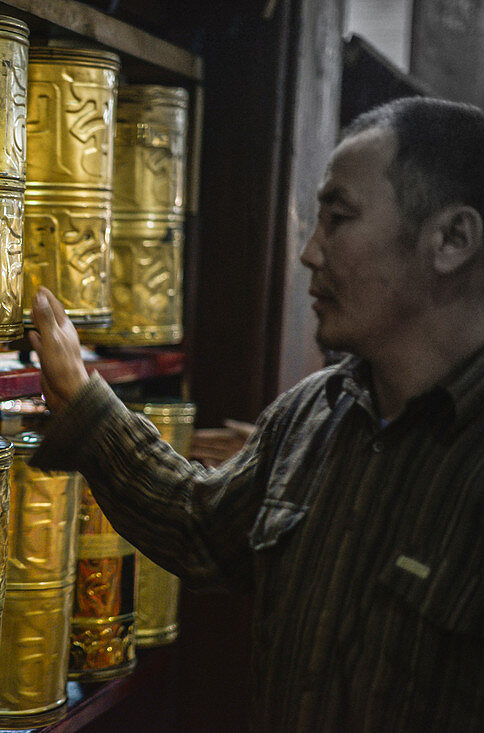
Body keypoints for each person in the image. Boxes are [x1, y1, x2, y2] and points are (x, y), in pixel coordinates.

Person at [27, 96, 484, 731]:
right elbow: (199, 525)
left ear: (452, 239)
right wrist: (82, 400)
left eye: (339, 219)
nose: (310, 254)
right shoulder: (314, 417)